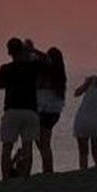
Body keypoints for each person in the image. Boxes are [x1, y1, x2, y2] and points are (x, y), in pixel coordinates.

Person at [0, 37, 41, 179]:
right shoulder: (32, 67)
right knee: (28, 146)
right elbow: (47, 61)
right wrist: (32, 51)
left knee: (7, 146)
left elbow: (1, 85)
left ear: (9, 51)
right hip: (30, 110)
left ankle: (5, 177)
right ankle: (25, 176)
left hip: (12, 109)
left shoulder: (5, 68)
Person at [35, 46, 67, 174]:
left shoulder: (48, 72)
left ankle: (48, 170)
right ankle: (47, 168)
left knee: (42, 143)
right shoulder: (59, 74)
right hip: (54, 111)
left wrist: (35, 51)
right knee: (44, 142)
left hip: (43, 109)